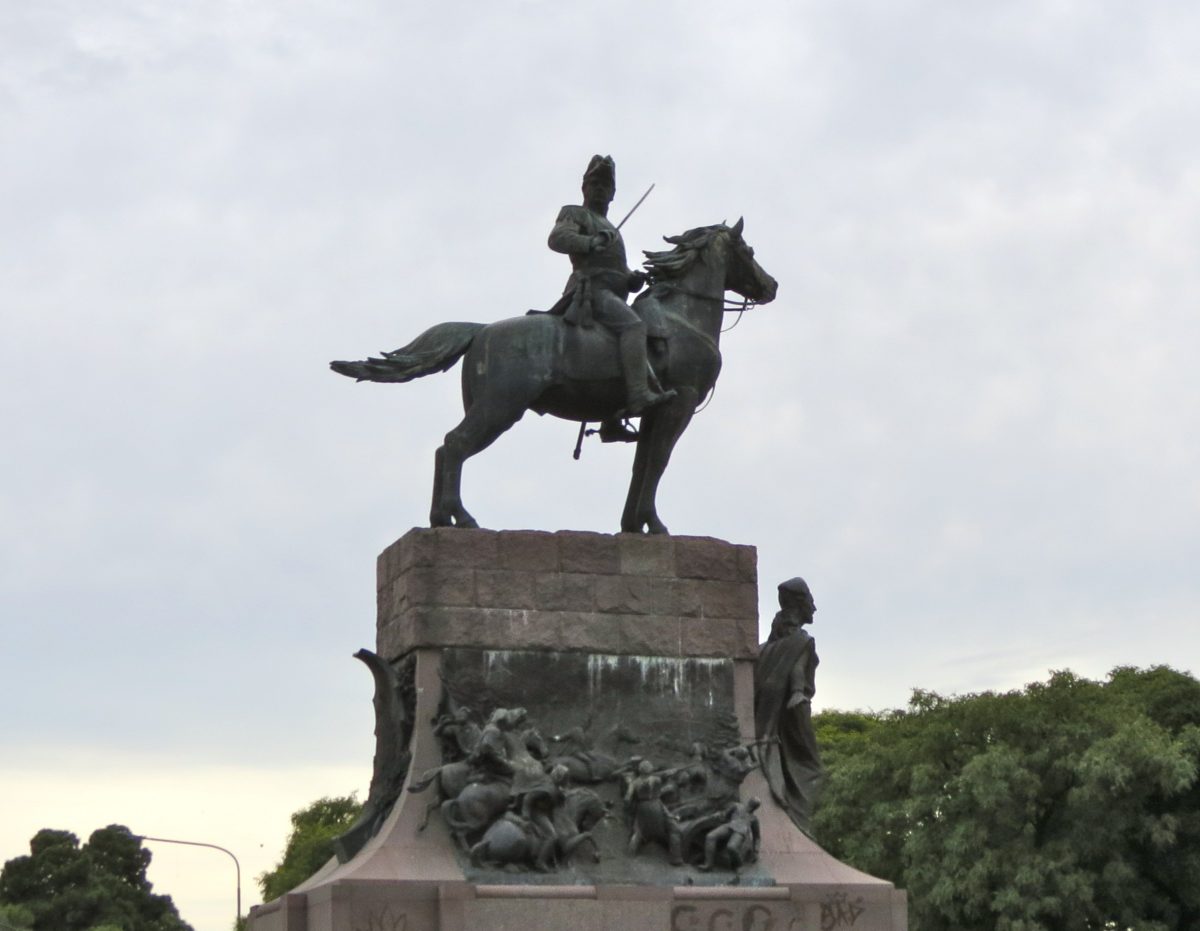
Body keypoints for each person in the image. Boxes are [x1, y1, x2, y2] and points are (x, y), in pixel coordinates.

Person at [548, 155, 675, 438]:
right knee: (633, 326)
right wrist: (589, 242)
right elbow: (557, 238)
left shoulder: (611, 230)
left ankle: (611, 420)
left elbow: (617, 269)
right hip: (591, 292)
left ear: (614, 193)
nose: (600, 189)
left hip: (612, 294)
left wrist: (632, 279)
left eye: (606, 185)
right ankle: (639, 395)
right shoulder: (575, 213)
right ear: (584, 188)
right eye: (594, 183)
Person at [754, 577, 824, 837]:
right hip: (793, 707)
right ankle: (804, 822)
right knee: (812, 769)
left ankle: (800, 820)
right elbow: (795, 663)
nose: (814, 608)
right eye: (811, 601)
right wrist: (797, 693)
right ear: (800, 604)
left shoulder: (775, 638)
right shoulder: (798, 639)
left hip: (776, 711)